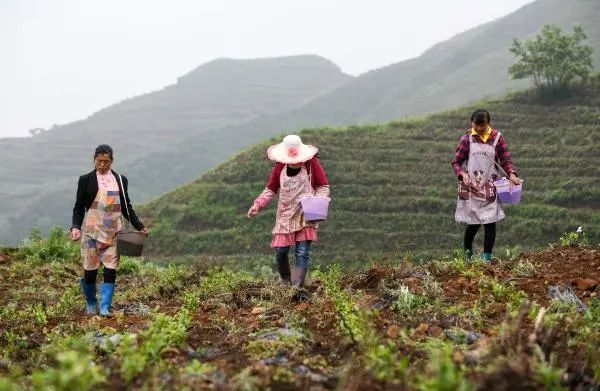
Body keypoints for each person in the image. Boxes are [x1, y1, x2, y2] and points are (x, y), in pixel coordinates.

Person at [70, 145, 147, 316]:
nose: (103, 165)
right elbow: (78, 207)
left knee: (111, 269)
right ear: (94, 160)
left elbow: (127, 207)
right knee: (90, 270)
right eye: (99, 161)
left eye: (106, 161)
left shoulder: (120, 179)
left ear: (112, 161)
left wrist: (139, 226)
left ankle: (105, 307)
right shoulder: (85, 180)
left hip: (113, 231)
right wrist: (75, 226)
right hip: (91, 231)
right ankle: (91, 302)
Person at [248, 135, 330, 288]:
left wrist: (317, 200)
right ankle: (286, 282)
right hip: (285, 214)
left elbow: (323, 186)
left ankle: (296, 287)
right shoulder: (280, 166)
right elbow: (271, 189)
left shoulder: (311, 163)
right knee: (281, 251)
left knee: (302, 252)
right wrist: (258, 205)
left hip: (305, 213)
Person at [452, 109, 521, 261]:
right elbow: (457, 162)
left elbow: (506, 160)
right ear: (472, 123)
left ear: (488, 123)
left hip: (490, 186)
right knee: (474, 222)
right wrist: (462, 174)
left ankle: (487, 258)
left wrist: (512, 174)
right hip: (470, 186)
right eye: (476, 125)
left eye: (482, 125)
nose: (479, 128)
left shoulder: (497, 138)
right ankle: (467, 251)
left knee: (490, 222)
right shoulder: (467, 138)